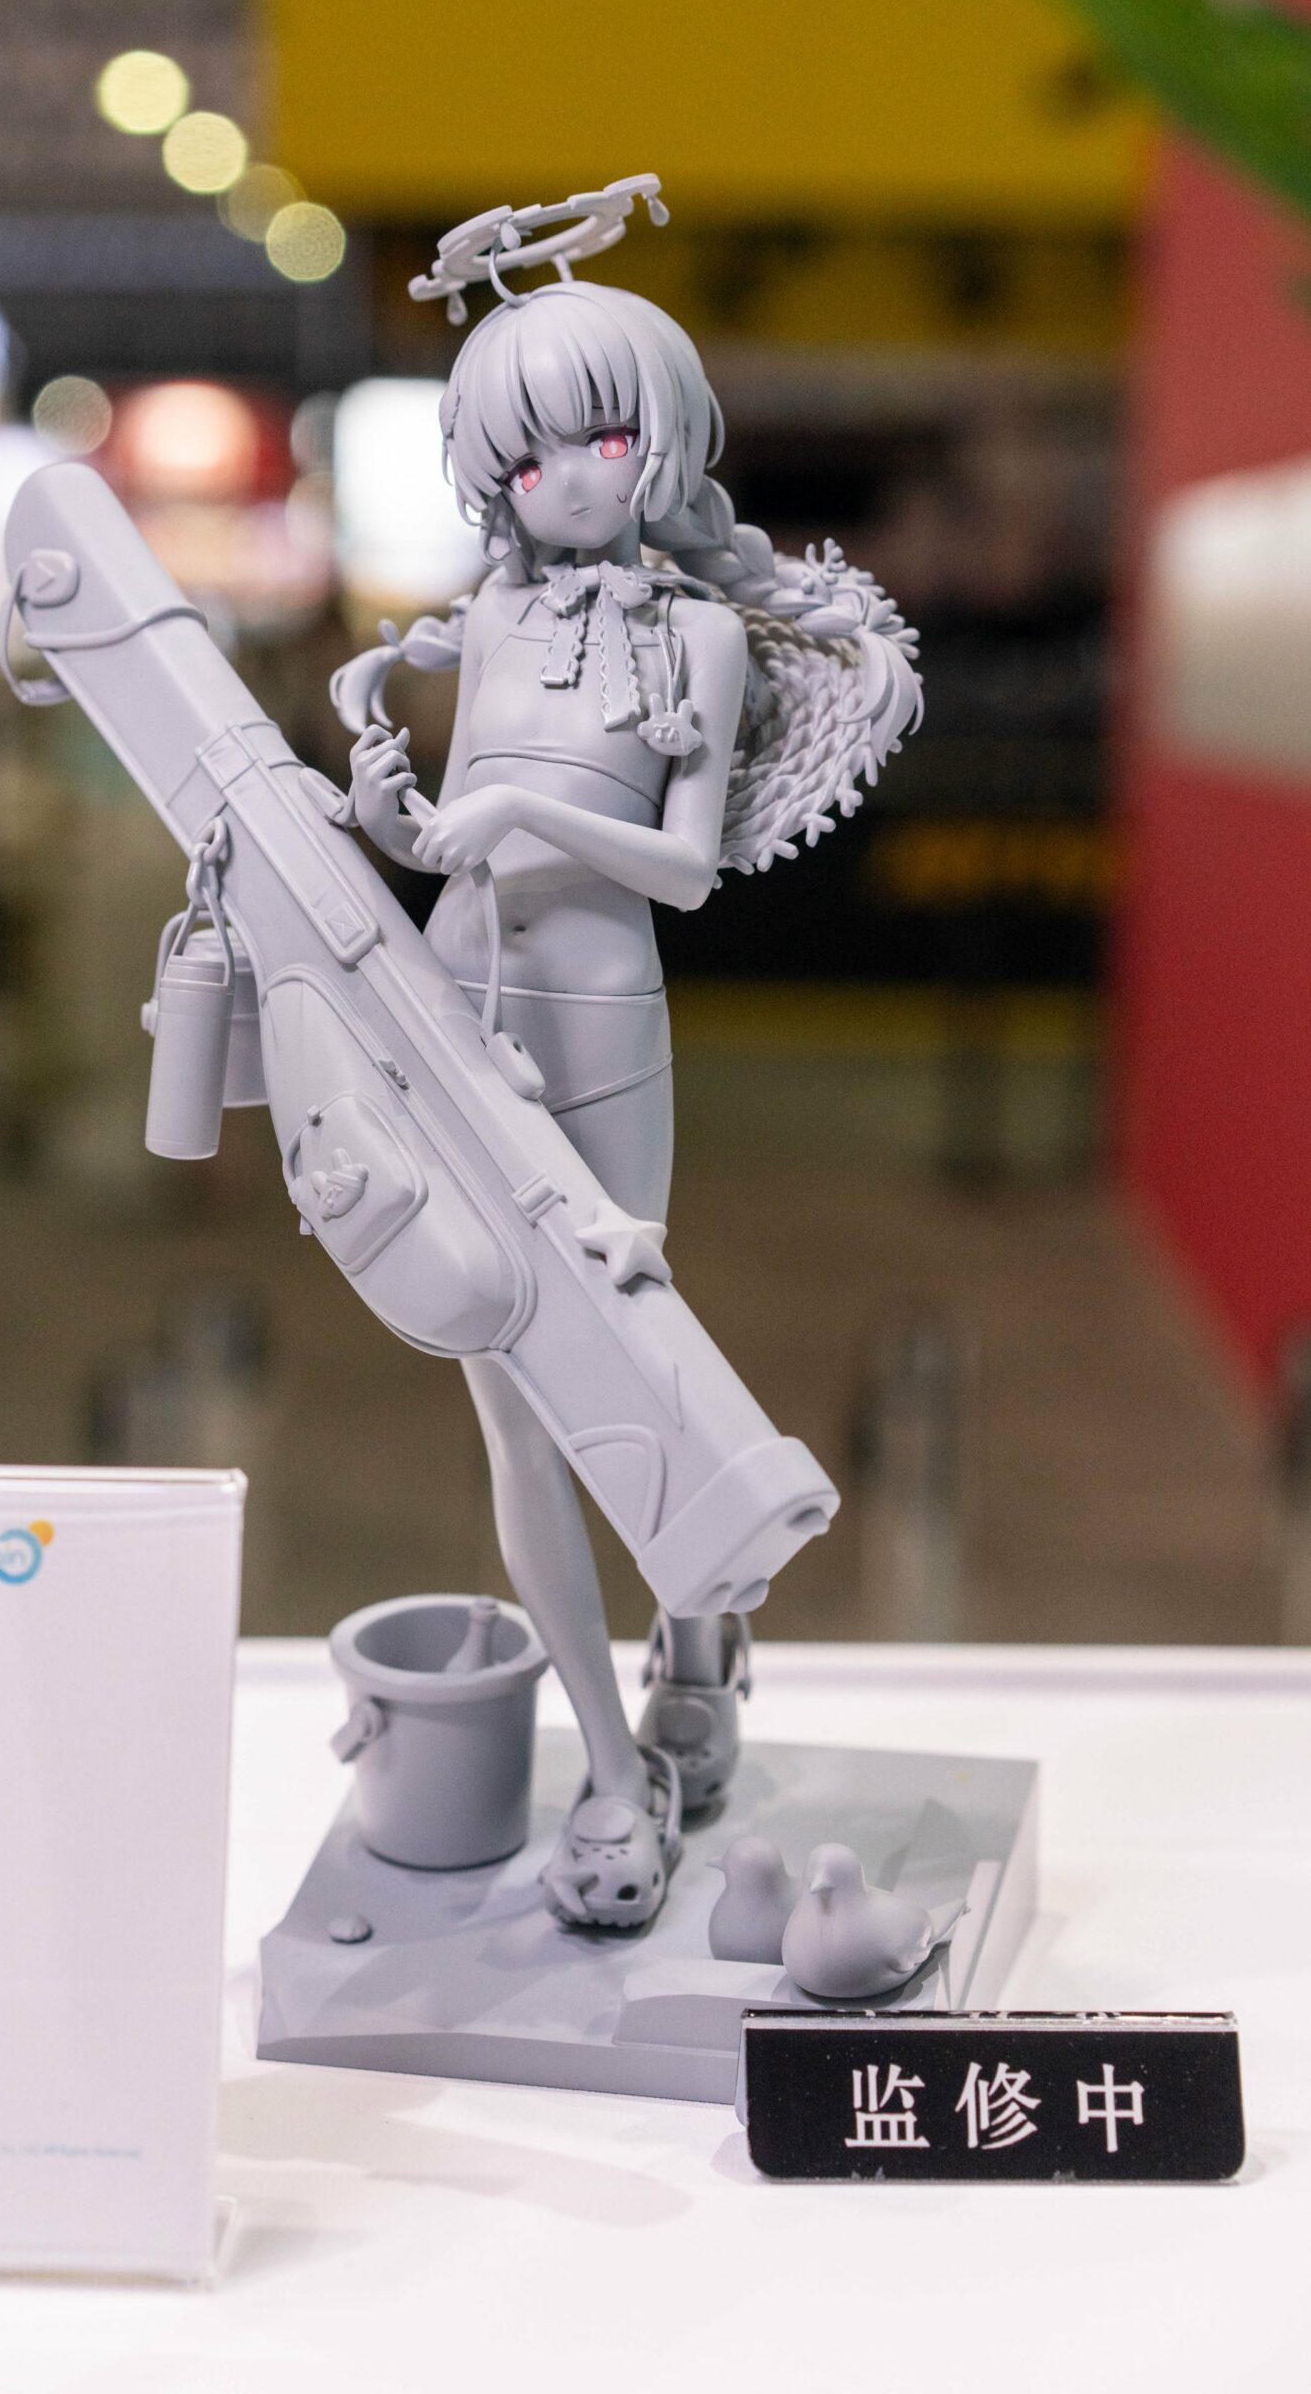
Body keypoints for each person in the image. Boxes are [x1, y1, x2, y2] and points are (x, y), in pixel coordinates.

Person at [332, 188, 920, 1930]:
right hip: (454, 1018)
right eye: (525, 459)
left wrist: (514, 814)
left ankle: (704, 1636)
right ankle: (608, 1761)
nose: (568, 482)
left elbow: (682, 870)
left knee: (631, 1374)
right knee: (510, 1408)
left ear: (656, 438)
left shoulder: (704, 637)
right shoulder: (494, 626)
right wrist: (399, 812)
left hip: (598, 1024)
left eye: (595, 438)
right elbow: (447, 837)